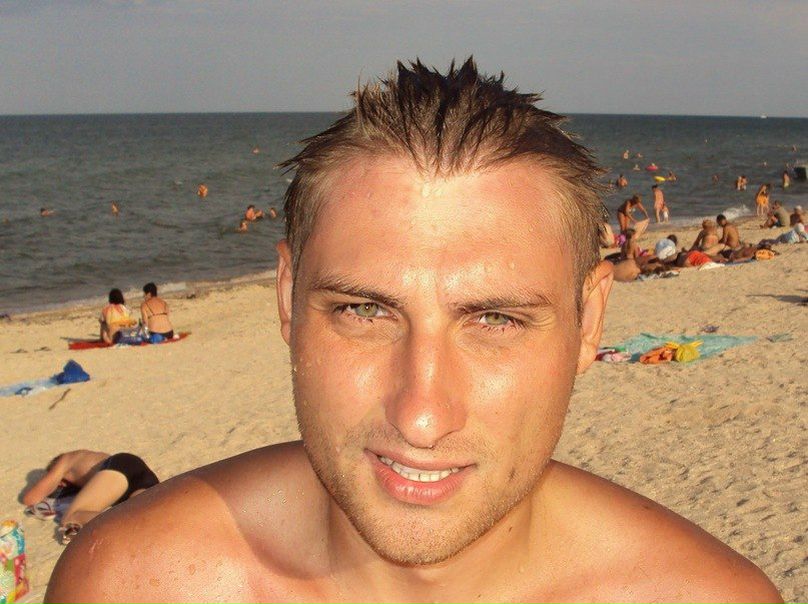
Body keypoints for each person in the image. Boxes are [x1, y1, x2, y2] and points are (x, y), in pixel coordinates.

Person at [47, 58, 780, 603]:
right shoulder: (133, 584)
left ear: (589, 321)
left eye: (495, 319)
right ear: (286, 297)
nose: (421, 416)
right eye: (364, 311)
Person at [22, 450, 158, 545]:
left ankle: (122, 529)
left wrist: (52, 481)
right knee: (143, 518)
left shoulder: (65, 460)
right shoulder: (88, 457)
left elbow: (30, 499)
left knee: (71, 516)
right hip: (139, 474)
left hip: (119, 468)